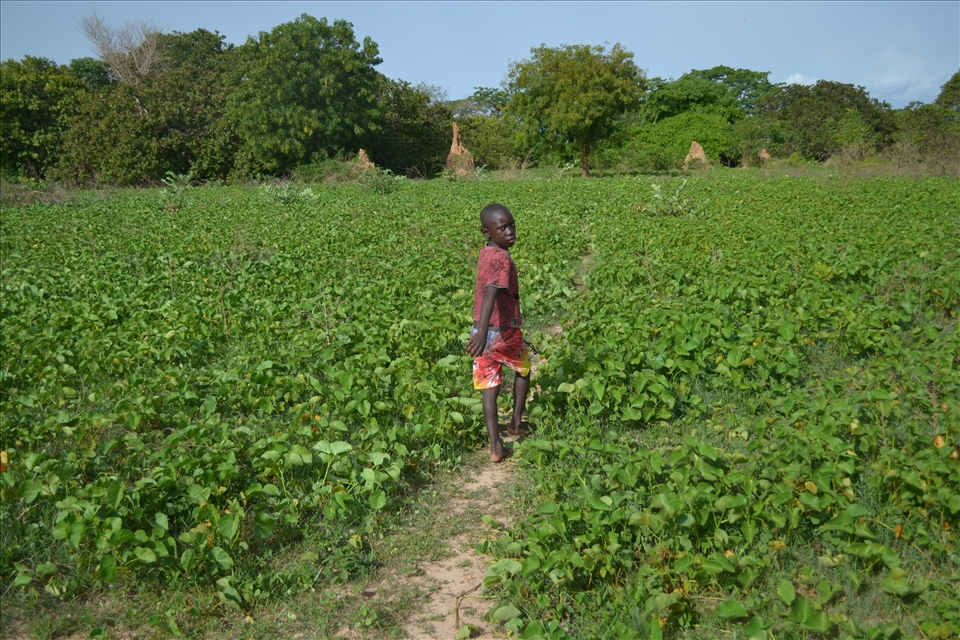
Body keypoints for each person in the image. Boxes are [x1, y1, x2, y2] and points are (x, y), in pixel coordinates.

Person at [465, 203, 532, 462]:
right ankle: (516, 422)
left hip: (481, 332)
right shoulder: (503, 258)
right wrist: (484, 331)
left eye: (511, 225)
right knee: (523, 368)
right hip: (502, 332)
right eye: (502, 228)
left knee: (489, 388)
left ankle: (495, 447)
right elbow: (492, 289)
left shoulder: (487, 252)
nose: (510, 231)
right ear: (486, 232)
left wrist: (479, 332)